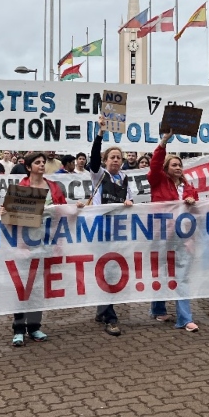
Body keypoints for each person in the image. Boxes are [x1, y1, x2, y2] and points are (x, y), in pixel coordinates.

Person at [1, 152, 78, 345]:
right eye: (37, 162)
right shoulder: (21, 188)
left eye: (43, 162)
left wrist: (75, 208)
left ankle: (34, 327)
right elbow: (9, 218)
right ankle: (18, 329)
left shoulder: (53, 187)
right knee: (22, 287)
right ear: (28, 167)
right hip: (24, 246)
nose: (42, 165)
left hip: (46, 244)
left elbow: (62, 211)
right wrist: (3, 211)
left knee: (37, 288)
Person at [148, 130, 200, 332]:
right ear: (166, 168)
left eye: (180, 165)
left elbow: (197, 208)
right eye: (174, 165)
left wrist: (192, 201)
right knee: (161, 273)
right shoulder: (158, 181)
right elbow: (154, 164)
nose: (178, 167)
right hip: (161, 235)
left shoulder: (188, 187)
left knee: (182, 277)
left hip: (183, 238)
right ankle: (157, 308)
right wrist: (164, 142)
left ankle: (185, 319)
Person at [88, 119, 136, 336]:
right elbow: (94, 156)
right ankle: (111, 318)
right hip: (101, 230)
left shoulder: (126, 180)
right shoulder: (99, 175)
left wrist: (129, 204)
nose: (115, 160)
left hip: (119, 231)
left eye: (119, 157)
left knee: (112, 271)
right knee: (105, 270)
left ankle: (102, 310)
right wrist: (101, 132)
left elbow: (132, 203)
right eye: (112, 157)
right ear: (105, 161)